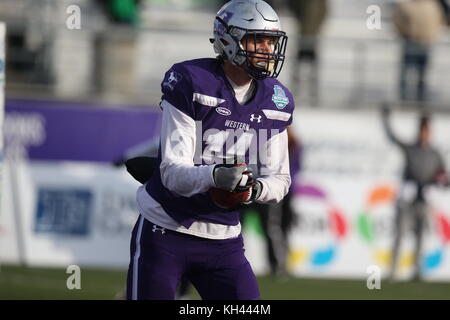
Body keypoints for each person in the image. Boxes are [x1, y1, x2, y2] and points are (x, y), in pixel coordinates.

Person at [126, 0, 294, 300]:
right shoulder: (192, 81)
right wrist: (217, 176)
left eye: (271, 41)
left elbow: (280, 180)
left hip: (224, 240)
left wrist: (251, 190)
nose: (267, 50)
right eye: (257, 39)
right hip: (166, 229)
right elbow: (172, 174)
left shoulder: (276, 100)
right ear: (228, 40)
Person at [381, 106, 449, 281]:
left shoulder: (435, 154)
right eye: (422, 130)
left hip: (424, 199)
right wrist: (386, 119)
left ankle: (417, 271)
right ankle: (393, 271)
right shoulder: (411, 149)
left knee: (420, 236)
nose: (424, 134)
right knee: (400, 234)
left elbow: (442, 175)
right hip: (408, 198)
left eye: (426, 131)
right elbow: (393, 138)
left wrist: (440, 183)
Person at [241, 127, 301, 278]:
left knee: (271, 229)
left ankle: (277, 266)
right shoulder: (244, 136)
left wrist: (277, 186)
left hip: (264, 191)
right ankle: (235, 264)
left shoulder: (287, 141)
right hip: (242, 189)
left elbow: (291, 169)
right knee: (237, 229)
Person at [393, 0, 446, 102]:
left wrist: (404, 33)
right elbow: (441, 21)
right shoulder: (433, 6)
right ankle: (418, 97)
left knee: (408, 72)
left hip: (412, 41)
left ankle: (405, 97)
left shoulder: (407, 5)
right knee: (420, 73)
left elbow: (397, 21)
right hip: (424, 42)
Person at [287, 0, 328, 105]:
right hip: (305, 36)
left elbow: (323, 13)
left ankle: (310, 94)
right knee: (301, 67)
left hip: (310, 37)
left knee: (308, 68)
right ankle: (301, 92)